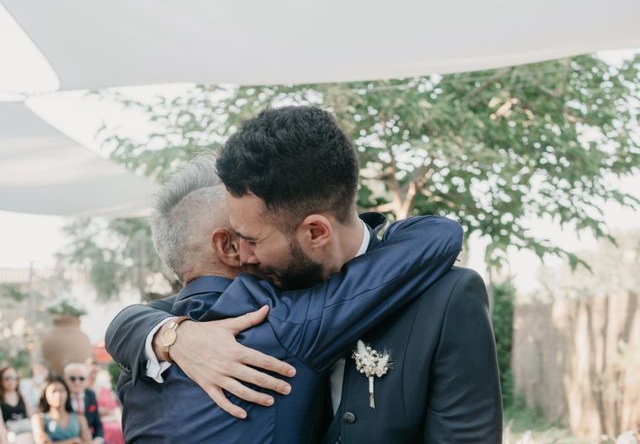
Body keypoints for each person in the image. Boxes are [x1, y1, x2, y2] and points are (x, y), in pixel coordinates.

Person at [107, 106, 502, 442]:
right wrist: (172, 336)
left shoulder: (447, 299)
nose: (242, 255)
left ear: (315, 232)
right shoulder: (241, 305)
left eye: (250, 239)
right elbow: (135, 319)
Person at [30, 376, 93, 444]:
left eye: (62, 390)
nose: (58, 395)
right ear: (45, 395)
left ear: (67, 393)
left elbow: (87, 442)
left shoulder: (79, 418)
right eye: (54, 391)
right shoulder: (39, 419)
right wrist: (73, 441)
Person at [62, 365, 102, 443]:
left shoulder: (90, 394)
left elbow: (97, 423)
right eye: (72, 379)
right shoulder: (61, 397)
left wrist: (98, 439)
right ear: (65, 379)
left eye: (81, 378)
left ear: (86, 379)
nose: (77, 382)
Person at [0, 366, 33, 443]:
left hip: (27, 432)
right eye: (7, 378)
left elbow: (31, 417)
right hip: (10, 436)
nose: (11, 381)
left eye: (14, 377)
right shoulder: (1, 400)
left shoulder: (23, 397)